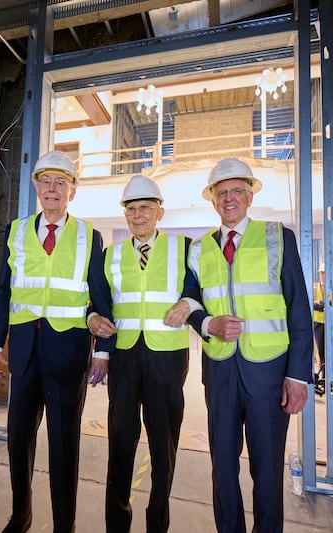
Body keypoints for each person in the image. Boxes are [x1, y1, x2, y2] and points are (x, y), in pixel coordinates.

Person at [0, 150, 117, 533]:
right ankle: (21, 515)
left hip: (68, 354)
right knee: (18, 440)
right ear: (37, 188)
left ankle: (65, 524)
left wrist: (104, 351)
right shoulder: (16, 231)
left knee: (63, 445)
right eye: (46, 181)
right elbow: (5, 291)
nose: (52, 188)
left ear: (72, 191)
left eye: (61, 182)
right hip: (24, 352)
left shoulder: (88, 236)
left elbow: (101, 297)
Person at [185, 157, 314, 533]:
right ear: (212, 199)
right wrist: (208, 323)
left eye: (237, 191)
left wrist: (299, 376)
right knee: (222, 466)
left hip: (270, 373)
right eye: (221, 192)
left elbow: (299, 311)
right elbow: (190, 301)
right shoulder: (198, 248)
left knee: (267, 467)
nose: (229, 198)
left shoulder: (278, 236)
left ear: (249, 195)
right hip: (221, 372)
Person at [102, 175, 198, 533]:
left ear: (160, 211)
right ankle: (117, 525)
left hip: (167, 358)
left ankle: (157, 524)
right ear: (124, 214)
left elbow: (200, 289)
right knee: (120, 442)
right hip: (125, 357)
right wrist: (94, 318)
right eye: (131, 209)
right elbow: (98, 301)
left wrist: (187, 303)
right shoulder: (110, 255)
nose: (138, 215)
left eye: (145, 207)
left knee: (163, 447)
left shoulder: (185, 248)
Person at [313, 263, 326, 396]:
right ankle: (322, 374)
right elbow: (312, 303)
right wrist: (320, 305)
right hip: (318, 323)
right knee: (321, 350)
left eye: (324, 273)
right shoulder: (316, 287)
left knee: (329, 350)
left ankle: (326, 374)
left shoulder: (331, 285)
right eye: (321, 273)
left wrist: (319, 304)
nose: (322, 275)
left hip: (328, 323)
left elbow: (329, 301)